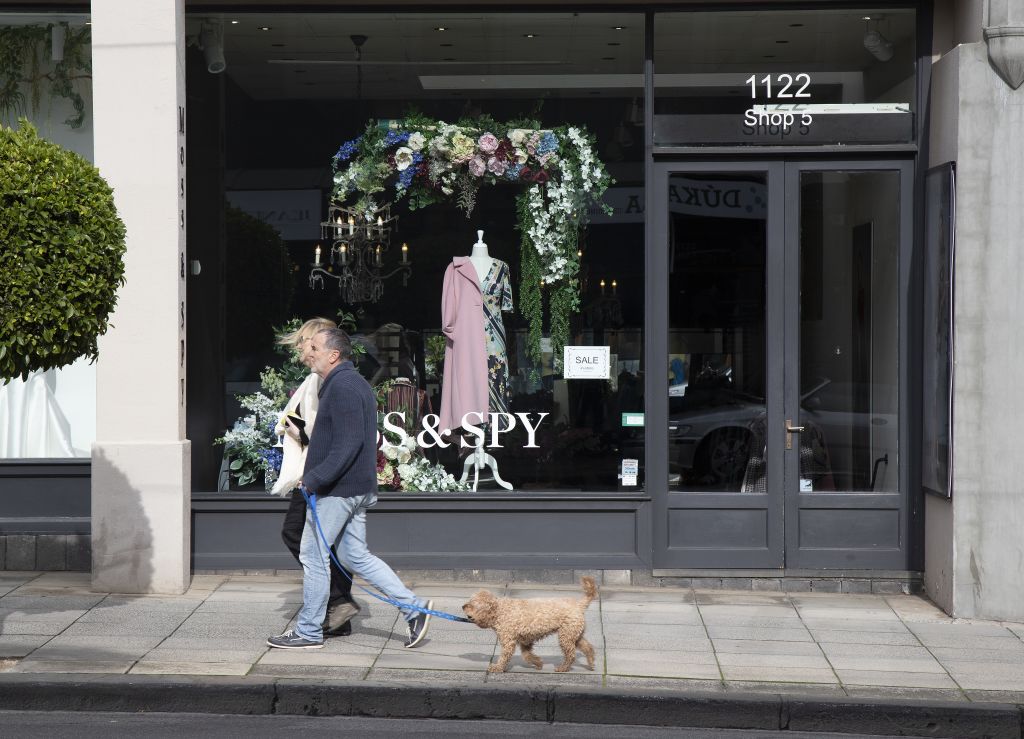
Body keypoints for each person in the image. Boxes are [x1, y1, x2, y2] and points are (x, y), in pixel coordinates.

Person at [266, 328, 433, 650]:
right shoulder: (348, 383)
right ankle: (413, 609)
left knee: (313, 556)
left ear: (333, 354)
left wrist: (313, 479)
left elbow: (348, 443)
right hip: (352, 487)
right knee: (355, 555)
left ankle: (309, 632)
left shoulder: (342, 386)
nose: (307, 352)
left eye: (314, 346)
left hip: (339, 490)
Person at [271, 318, 360, 637]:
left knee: (298, 535)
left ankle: (338, 602)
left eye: (304, 342)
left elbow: (323, 431)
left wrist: (295, 430)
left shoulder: (321, 380)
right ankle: (338, 614)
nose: (299, 348)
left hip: (314, 473)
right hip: (317, 471)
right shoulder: (317, 379)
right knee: (328, 544)